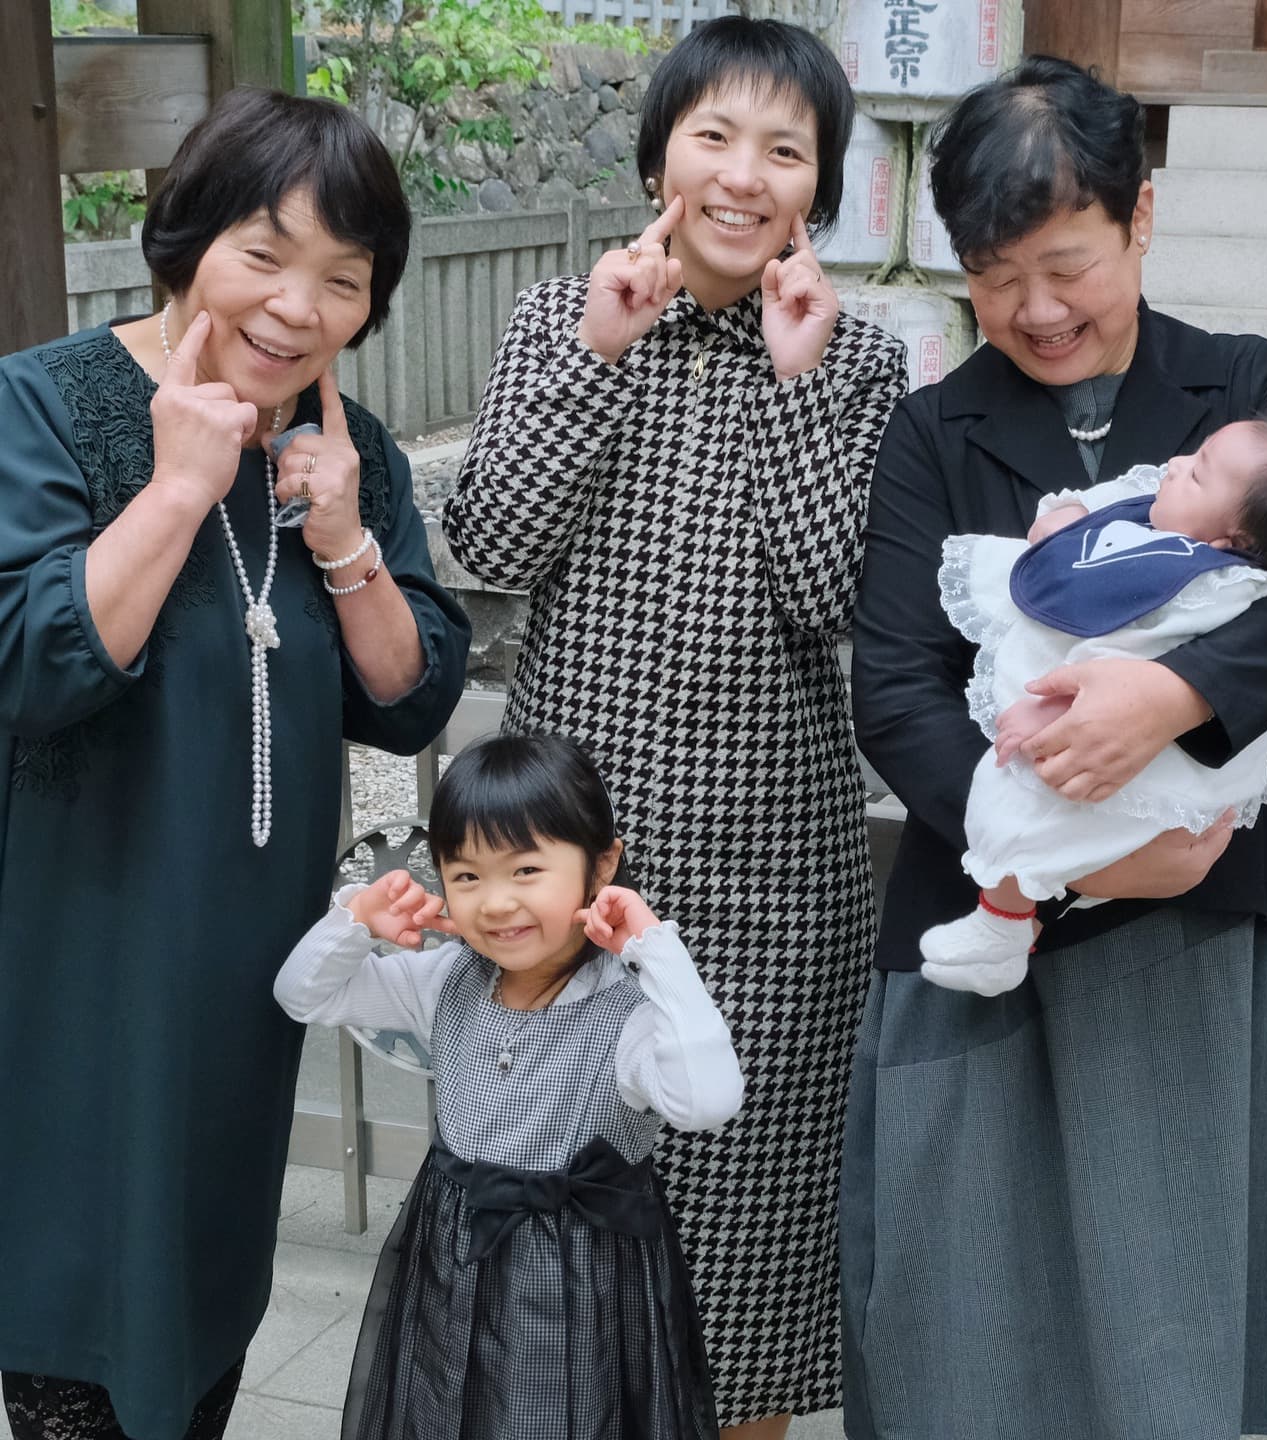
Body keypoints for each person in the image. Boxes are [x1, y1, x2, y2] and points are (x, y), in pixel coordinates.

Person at [839, 55, 1267, 1440]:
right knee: (972, 1319)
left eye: (1066, 264)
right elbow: (897, 683)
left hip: (1224, 924)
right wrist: (1063, 859)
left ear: (1141, 220)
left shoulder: (1246, 389)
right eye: (993, 271)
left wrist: (1172, 699)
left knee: (1193, 1321)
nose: (1034, 309)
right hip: (1003, 914)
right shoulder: (930, 433)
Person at [442, 17, 907, 1437]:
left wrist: (795, 382)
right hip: (565, 870)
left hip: (771, 877)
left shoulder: (859, 357)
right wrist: (597, 348)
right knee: (558, 1217)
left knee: (746, 1251)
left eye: (785, 149)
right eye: (715, 135)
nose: (744, 174)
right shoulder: (556, 317)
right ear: (660, 155)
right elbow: (490, 538)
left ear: (818, 191)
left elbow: (833, 597)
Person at [0, 90, 470, 1440]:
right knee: (83, 1340)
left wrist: (343, 537)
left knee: (210, 1320)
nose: (297, 306)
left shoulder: (349, 451)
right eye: (265, 254)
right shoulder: (44, 406)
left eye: (343, 278)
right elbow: (33, 665)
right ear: (186, 237)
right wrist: (174, 489)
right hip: (82, 981)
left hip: (246, 998)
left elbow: (412, 693)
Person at [273, 732, 744, 1439]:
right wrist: (356, 923)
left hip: (582, 1285)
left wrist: (656, 949)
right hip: (452, 1259)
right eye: (466, 877)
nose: (495, 904)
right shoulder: (447, 981)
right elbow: (302, 996)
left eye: (526, 870)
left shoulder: (628, 1015)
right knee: (442, 1414)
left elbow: (710, 1101)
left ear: (601, 865)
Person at [921, 398, 1267, 994]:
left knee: (1029, 805)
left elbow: (1128, 661)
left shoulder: (1215, 586)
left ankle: (1005, 921)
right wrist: (1069, 513)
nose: (1174, 464)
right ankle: (1034, 901)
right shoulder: (1167, 516)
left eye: (1197, 471)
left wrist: (1064, 703)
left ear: (1235, 538)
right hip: (1114, 775)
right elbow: (1119, 496)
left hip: (1165, 779)